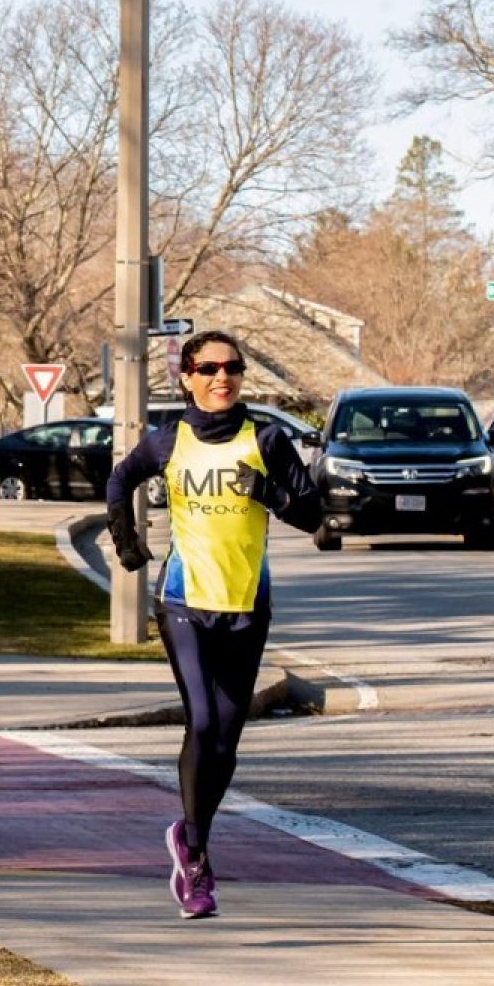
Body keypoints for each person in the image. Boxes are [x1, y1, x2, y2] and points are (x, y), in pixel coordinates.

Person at [104, 330, 321, 920]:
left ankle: (189, 837)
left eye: (232, 368)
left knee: (226, 738)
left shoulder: (268, 439)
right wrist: (126, 541)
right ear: (187, 376)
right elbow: (120, 478)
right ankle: (196, 862)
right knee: (201, 720)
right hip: (183, 602)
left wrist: (269, 491)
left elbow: (312, 514)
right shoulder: (168, 441)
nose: (221, 378)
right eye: (208, 368)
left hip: (247, 604)